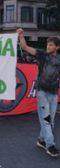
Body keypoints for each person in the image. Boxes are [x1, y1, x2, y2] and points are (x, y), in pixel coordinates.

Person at [17, 28, 60, 157]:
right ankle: (50, 145)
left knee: (50, 119)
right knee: (46, 119)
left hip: (53, 92)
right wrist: (21, 35)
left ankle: (41, 140)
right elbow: (24, 47)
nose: (48, 46)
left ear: (57, 47)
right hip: (42, 92)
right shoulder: (41, 54)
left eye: (51, 45)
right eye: (48, 44)